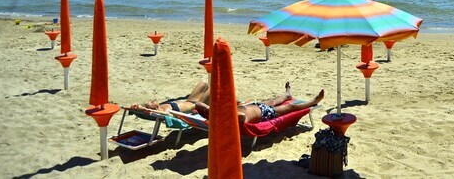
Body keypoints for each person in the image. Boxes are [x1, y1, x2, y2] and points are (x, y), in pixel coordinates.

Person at [195, 82, 325, 124]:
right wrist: (224, 111)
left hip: (254, 105)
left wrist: (210, 109)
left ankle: (287, 93)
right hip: (265, 113)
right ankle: (314, 101)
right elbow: (241, 117)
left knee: (274, 100)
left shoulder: (217, 112)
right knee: (290, 107)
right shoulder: (233, 118)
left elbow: (198, 105)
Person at [131, 80, 210, 113]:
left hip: (190, 101)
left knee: (203, 83)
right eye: (152, 103)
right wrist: (145, 109)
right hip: (198, 105)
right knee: (213, 87)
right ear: (152, 108)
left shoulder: (161, 106)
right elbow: (164, 114)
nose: (153, 101)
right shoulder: (164, 111)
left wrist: (137, 106)